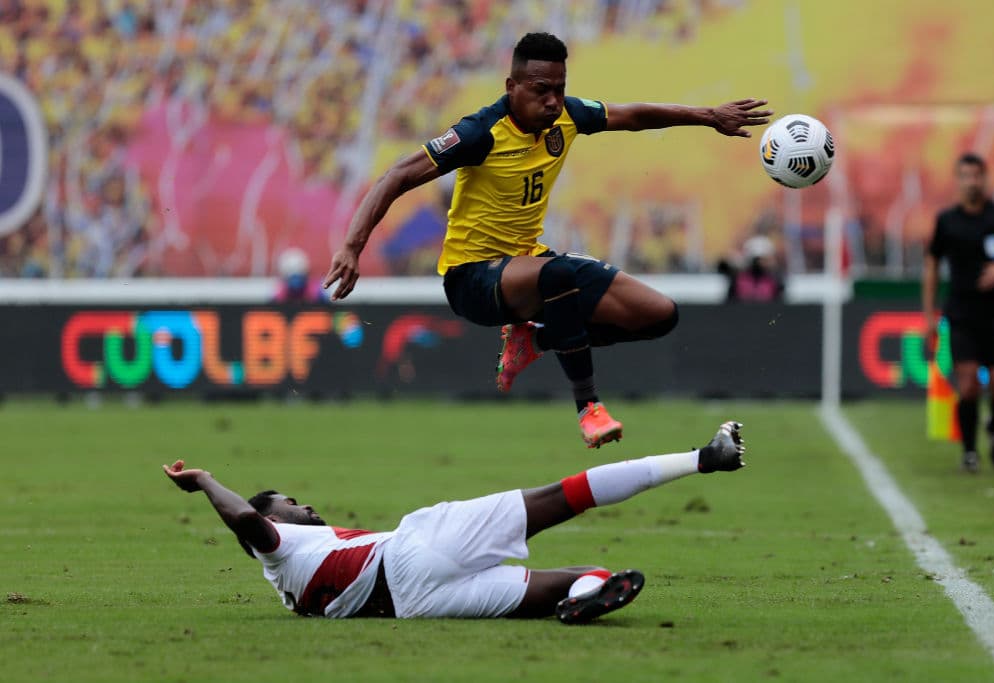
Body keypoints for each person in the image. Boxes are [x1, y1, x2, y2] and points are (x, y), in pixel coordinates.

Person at [322, 32, 771, 448]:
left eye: (559, 87)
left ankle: (534, 341)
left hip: (532, 266)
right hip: (472, 279)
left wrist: (710, 117)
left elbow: (634, 115)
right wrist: (352, 246)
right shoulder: (480, 133)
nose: (553, 100)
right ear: (511, 85)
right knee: (557, 274)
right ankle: (589, 407)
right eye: (541, 89)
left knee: (659, 315)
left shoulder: (568, 117)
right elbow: (398, 174)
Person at [162, 421, 746, 623]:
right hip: (414, 551)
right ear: (269, 519)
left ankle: (590, 591)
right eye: (289, 503)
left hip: (417, 603)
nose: (304, 508)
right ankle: (703, 459)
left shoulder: (292, 588)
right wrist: (206, 480)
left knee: (574, 579)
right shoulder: (278, 546)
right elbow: (246, 520)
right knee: (560, 497)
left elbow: (257, 524)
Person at [923, 152, 994, 472]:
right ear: (958, 180)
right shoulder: (947, 221)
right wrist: (928, 316)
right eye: (965, 176)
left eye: (977, 175)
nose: (972, 182)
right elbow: (932, 265)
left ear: (985, 178)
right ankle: (969, 452)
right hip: (962, 312)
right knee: (967, 386)